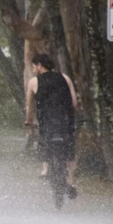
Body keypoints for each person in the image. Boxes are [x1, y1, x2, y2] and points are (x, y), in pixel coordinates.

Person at [24, 53, 78, 198]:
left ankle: (45, 169)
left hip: (47, 123)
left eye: (34, 66)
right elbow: (74, 103)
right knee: (70, 150)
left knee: (43, 140)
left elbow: (30, 106)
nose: (34, 69)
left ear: (40, 66)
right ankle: (71, 180)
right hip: (65, 122)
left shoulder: (34, 82)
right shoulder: (65, 78)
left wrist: (28, 122)